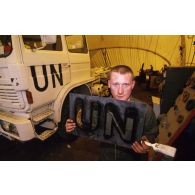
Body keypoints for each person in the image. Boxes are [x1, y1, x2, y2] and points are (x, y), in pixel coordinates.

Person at [65, 65, 159, 160]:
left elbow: (151, 134)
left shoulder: (146, 111)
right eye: (115, 84)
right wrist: (74, 125)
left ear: (133, 84)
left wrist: (147, 146)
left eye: (125, 84)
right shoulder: (99, 107)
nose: (120, 91)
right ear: (109, 84)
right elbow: (89, 125)